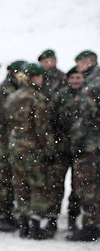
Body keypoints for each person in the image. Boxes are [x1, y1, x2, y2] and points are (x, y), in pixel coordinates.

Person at [4, 63, 55, 240]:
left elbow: (9, 122)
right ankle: (35, 225)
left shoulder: (13, 97)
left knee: (20, 185)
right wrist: (49, 148)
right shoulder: (37, 98)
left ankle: (23, 224)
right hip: (33, 149)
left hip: (16, 147)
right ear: (36, 77)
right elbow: (41, 128)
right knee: (37, 186)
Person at [0, 60, 25, 232]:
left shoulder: (15, 88)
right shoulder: (6, 90)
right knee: (3, 177)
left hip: (9, 139)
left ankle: (7, 213)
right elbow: (6, 117)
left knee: (11, 177)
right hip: (2, 140)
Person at [46, 66, 83, 234]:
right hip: (61, 148)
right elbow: (50, 121)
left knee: (77, 186)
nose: (75, 80)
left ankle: (73, 218)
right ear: (68, 79)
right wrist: (53, 144)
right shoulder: (59, 96)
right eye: (73, 77)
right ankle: (52, 218)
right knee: (55, 184)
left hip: (81, 150)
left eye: (78, 77)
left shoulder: (88, 96)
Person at [69, 50, 100, 241]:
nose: (79, 68)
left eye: (79, 64)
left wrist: (77, 141)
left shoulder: (92, 85)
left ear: (87, 63)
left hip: (91, 145)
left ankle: (91, 226)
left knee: (88, 186)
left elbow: (88, 118)